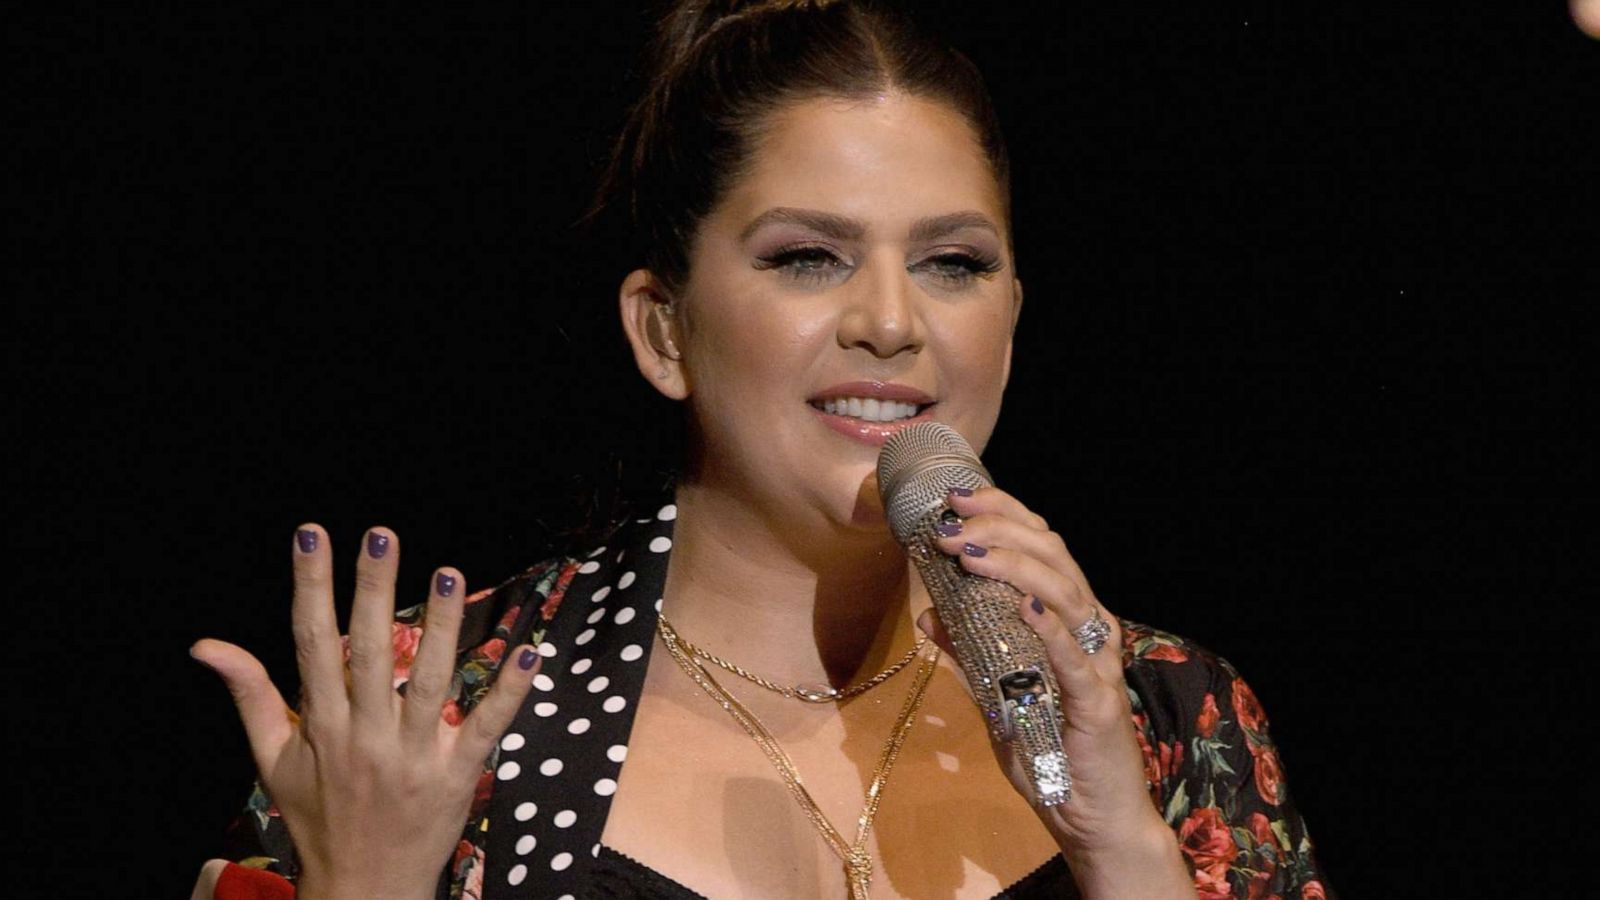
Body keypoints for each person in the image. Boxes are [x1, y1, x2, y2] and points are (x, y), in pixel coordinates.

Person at [192, 2, 1331, 897]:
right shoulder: (439, 709)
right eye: (805, 257)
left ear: (1014, 319)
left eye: (953, 263)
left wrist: (1120, 841)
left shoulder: (1159, 708)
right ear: (663, 330)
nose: (892, 320)